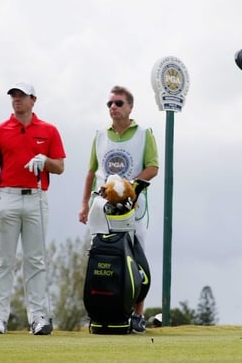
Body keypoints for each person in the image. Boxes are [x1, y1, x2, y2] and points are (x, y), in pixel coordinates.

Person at [0, 81, 66, 335]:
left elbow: (60, 167)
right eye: (13, 96)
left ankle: (38, 318)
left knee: (35, 260)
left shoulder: (49, 130)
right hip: (7, 197)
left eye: (21, 95)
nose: (16, 99)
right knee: (4, 260)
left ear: (33, 100)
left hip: (36, 197)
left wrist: (45, 160)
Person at [78, 85, 159, 334]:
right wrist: (84, 204)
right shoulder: (100, 135)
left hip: (133, 206)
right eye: (110, 104)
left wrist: (129, 187)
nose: (113, 107)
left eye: (119, 103)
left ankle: (137, 314)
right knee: (102, 258)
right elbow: (92, 172)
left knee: (137, 258)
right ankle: (105, 312)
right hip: (101, 208)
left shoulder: (144, 134)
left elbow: (152, 167)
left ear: (130, 107)